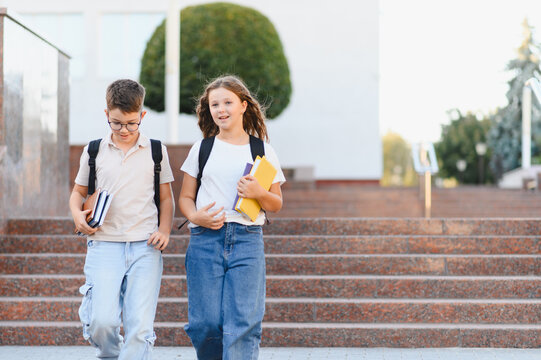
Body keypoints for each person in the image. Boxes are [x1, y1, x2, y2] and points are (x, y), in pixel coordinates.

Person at [179, 75, 286, 360]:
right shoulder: (202, 148)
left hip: (247, 240)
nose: (221, 109)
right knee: (205, 324)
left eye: (227, 102)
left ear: (243, 105)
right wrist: (195, 217)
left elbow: (275, 203)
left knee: (243, 324)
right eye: (215, 104)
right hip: (205, 239)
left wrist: (257, 192)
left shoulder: (262, 150)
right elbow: (185, 198)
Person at [69, 79, 174, 360]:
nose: (124, 130)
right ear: (106, 115)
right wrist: (78, 215)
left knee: (139, 329)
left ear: (142, 116)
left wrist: (164, 230)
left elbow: (166, 198)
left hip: (145, 247)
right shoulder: (94, 151)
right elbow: (78, 193)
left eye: (131, 123)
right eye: (116, 123)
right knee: (102, 322)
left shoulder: (155, 150)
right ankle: (110, 355)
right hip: (104, 245)